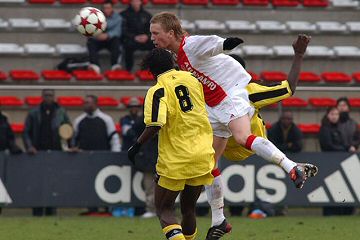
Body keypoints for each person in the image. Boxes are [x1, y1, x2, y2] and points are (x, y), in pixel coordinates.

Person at [149, 12, 318, 239]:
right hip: (215, 107)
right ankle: (219, 220)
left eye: (155, 33)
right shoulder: (178, 57)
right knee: (209, 163)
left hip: (232, 95)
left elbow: (211, 44)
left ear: (170, 33)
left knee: (241, 137)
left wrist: (227, 43)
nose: (152, 38)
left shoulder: (190, 46)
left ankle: (292, 167)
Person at [128, 48, 216, 240]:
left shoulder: (157, 90)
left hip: (177, 157)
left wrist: (136, 146)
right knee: (189, 209)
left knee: (163, 209)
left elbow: (154, 125)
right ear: (172, 63)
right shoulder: (193, 80)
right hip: (203, 153)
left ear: (150, 71)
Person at [23, 89, 71, 217]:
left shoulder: (61, 112)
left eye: (50, 95)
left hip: (55, 153)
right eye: (46, 95)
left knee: (53, 184)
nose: (48, 98)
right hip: (37, 154)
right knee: (36, 183)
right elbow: (26, 132)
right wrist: (29, 146)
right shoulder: (34, 113)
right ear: (42, 97)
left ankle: (51, 211)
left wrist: (67, 147)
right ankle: (37, 212)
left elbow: (68, 130)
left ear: (54, 97)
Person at [319, 106, 355, 216]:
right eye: (332, 114)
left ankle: (343, 211)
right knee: (330, 186)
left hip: (338, 162)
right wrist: (345, 149)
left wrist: (349, 147)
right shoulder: (325, 129)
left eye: (336, 114)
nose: (334, 117)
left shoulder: (340, 128)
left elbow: (343, 142)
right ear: (328, 115)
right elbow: (328, 146)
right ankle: (329, 211)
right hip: (329, 162)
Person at [87, 0, 122, 73]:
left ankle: (115, 65)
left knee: (116, 41)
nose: (106, 10)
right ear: (102, 9)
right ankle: (95, 66)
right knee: (90, 42)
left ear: (112, 8)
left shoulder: (118, 18)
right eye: (105, 8)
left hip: (110, 40)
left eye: (108, 8)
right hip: (97, 39)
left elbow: (118, 31)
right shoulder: (95, 17)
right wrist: (96, 35)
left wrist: (107, 35)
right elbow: (89, 30)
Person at [120, 0, 153, 71]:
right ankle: (128, 70)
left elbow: (152, 30)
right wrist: (134, 37)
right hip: (131, 40)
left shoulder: (147, 15)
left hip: (145, 39)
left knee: (156, 45)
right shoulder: (123, 15)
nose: (136, 3)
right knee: (127, 46)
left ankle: (151, 68)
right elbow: (123, 30)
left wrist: (147, 36)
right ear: (130, 2)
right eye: (134, 1)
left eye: (137, 1)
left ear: (141, 2)